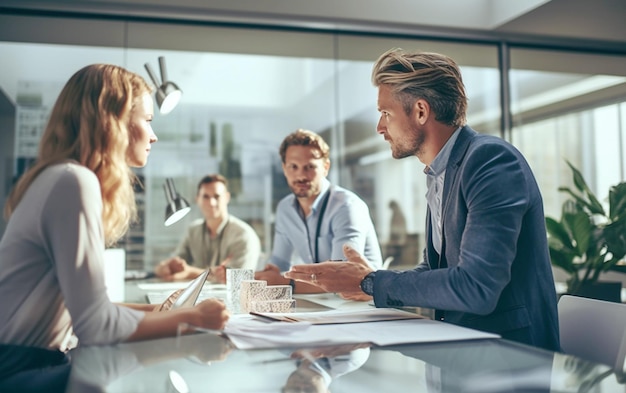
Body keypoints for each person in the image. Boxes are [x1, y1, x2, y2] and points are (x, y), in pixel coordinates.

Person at [286, 48, 560, 351]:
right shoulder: (439, 173)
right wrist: (370, 281)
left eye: (386, 113)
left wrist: (370, 282)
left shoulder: (489, 160)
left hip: (512, 360)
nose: (380, 127)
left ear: (420, 111)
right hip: (462, 353)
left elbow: (477, 288)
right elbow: (433, 270)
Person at [0, 64, 229, 352]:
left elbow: (89, 309)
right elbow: (96, 325)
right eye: (147, 119)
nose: (153, 136)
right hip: (20, 368)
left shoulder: (62, 177)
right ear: (114, 122)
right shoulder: (73, 182)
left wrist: (160, 310)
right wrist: (192, 317)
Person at [256, 129, 382, 293]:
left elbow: (341, 277)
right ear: (284, 168)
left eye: (309, 167)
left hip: (363, 300)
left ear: (325, 167)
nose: (301, 175)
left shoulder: (346, 206)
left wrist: (285, 283)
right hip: (326, 301)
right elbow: (280, 262)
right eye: (293, 167)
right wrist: (259, 276)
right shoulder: (285, 208)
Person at [154, 174, 261, 283]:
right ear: (197, 199)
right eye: (205, 196)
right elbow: (176, 265)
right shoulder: (193, 231)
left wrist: (191, 272)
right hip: (199, 298)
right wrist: (164, 267)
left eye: (217, 196)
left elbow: (237, 279)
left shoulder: (243, 235)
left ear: (227, 198)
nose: (211, 202)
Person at [386, 199, 408, 265]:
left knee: (397, 255)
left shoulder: (399, 216)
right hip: (394, 238)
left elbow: (400, 229)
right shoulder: (394, 215)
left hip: (398, 238)